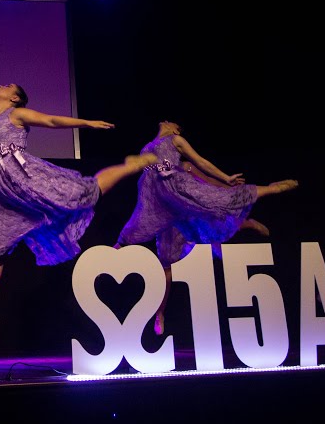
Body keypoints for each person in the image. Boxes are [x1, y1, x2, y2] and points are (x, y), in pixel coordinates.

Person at [0, 83, 159, 333]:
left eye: (8, 86)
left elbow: (50, 121)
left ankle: (130, 167)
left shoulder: (16, 114)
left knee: (84, 192)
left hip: (22, 177)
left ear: (15, 98)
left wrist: (87, 123)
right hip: (0, 191)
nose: (0, 85)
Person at [113, 121, 299, 334]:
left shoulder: (177, 143)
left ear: (175, 129)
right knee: (159, 259)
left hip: (184, 202)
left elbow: (203, 166)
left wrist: (225, 179)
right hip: (159, 206)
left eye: (171, 121)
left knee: (218, 205)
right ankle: (157, 310)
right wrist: (144, 165)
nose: (165, 120)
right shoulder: (148, 147)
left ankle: (268, 191)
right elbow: (148, 168)